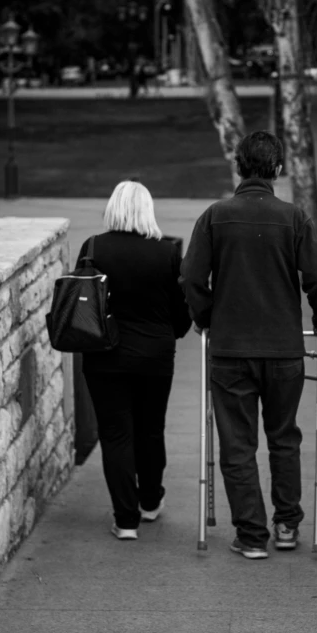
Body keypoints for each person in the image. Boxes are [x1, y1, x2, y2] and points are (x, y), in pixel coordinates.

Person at [181, 131, 317, 559]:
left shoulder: (215, 216)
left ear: (239, 166)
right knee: (284, 436)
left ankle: (251, 535)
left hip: (231, 349)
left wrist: (207, 318)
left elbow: (192, 278)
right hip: (284, 350)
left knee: (237, 443)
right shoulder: (294, 218)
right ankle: (286, 525)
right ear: (278, 169)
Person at [77, 180, 192, 540]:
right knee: (150, 428)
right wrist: (170, 332)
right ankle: (150, 502)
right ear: (147, 210)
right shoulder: (168, 253)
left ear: (113, 207)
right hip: (155, 356)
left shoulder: (93, 247)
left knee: (115, 435)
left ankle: (126, 520)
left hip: (103, 354)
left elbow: (79, 303)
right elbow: (181, 312)